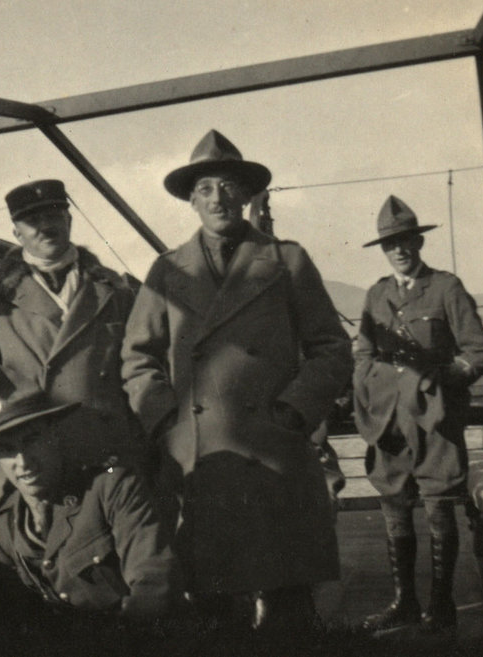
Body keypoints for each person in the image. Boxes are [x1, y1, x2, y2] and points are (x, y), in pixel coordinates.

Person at [121, 130, 352, 634]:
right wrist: (167, 423)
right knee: (214, 613)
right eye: (205, 188)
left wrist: (295, 410)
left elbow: (332, 347)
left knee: (288, 612)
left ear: (247, 196)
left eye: (228, 186)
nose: (218, 198)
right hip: (202, 461)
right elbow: (137, 358)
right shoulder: (165, 271)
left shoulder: (287, 261)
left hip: (276, 455)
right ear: (192, 201)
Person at [353, 195, 483, 633]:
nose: (399, 249)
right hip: (389, 421)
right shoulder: (376, 295)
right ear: (383, 249)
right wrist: (370, 384)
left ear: (419, 242)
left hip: (435, 420)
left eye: (407, 240)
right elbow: (363, 351)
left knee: (439, 508)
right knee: (394, 506)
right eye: (391, 243)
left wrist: (439, 379)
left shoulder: (446, 288)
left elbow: (480, 352)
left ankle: (441, 605)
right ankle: (404, 603)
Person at [0, 179, 141, 500]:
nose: (45, 227)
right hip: (35, 468)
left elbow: (138, 375)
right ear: (17, 234)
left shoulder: (115, 291)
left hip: (110, 461)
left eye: (53, 216)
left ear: (69, 221)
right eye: (32, 221)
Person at [0, 365, 180, 618]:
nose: (22, 461)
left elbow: (154, 585)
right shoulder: (5, 527)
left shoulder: (110, 488)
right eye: (7, 450)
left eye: (31, 440)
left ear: (55, 435)